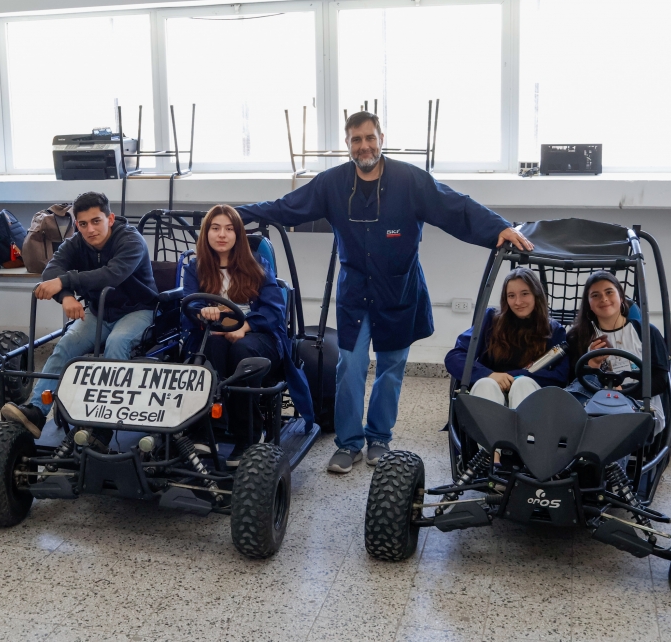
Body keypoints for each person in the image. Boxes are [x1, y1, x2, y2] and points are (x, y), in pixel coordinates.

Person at [237, 110, 533, 473]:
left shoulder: (410, 180)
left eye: (369, 138)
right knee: (350, 367)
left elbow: (455, 206)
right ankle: (348, 443)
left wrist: (498, 227)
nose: (364, 146)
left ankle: (379, 438)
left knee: (391, 368)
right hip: (355, 292)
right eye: (356, 140)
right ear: (348, 145)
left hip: (399, 291)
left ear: (381, 139)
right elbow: (286, 207)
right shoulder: (332, 183)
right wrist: (235, 216)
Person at [0, 192, 159, 439]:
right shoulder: (76, 242)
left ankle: (106, 422)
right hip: (98, 312)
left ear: (110, 219)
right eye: (83, 224)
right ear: (77, 225)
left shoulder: (131, 240)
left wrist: (64, 281)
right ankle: (37, 411)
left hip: (138, 310)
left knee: (117, 343)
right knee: (66, 344)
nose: (90, 230)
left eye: (96, 221)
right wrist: (65, 296)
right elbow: (51, 271)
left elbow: (111, 275)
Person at [181, 205, 315, 467]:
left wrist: (244, 327)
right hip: (213, 333)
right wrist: (203, 313)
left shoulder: (256, 265)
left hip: (258, 334)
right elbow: (189, 305)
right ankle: (208, 430)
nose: (222, 235)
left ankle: (250, 434)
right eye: (215, 228)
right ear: (206, 233)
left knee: (242, 353)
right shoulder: (195, 267)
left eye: (229, 229)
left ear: (238, 234)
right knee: (210, 351)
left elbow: (274, 311)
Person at [444, 268, 568, 408]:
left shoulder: (554, 330)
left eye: (525, 294)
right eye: (511, 296)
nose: (518, 302)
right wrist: (489, 375)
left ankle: (523, 422)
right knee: (486, 383)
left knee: (522, 383)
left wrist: (513, 376)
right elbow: (454, 357)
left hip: (529, 392)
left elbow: (560, 376)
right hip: (491, 390)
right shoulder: (491, 320)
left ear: (536, 294)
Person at [564, 271, 669, 434]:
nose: (604, 299)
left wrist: (623, 391)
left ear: (621, 296)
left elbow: (661, 379)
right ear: (589, 303)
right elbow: (572, 382)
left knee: (613, 422)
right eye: (595, 295)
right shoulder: (578, 337)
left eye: (609, 292)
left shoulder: (646, 332)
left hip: (639, 403)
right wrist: (592, 365)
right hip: (592, 404)